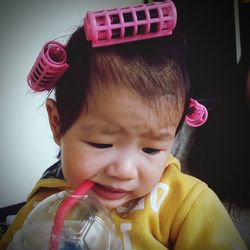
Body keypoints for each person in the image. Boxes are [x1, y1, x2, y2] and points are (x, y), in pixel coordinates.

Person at [0, 2, 247, 249]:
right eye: (101, 144)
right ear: (57, 123)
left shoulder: (186, 205)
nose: (125, 171)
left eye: (151, 150)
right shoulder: (42, 205)